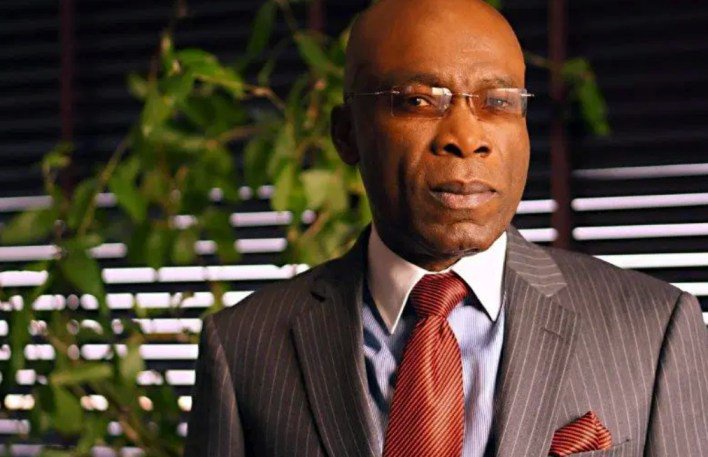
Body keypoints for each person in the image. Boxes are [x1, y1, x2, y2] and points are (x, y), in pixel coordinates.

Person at [184, 0, 708, 455]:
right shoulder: (244, 346)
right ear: (347, 134)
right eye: (419, 100)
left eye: (497, 102)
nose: (466, 137)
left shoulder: (654, 331)